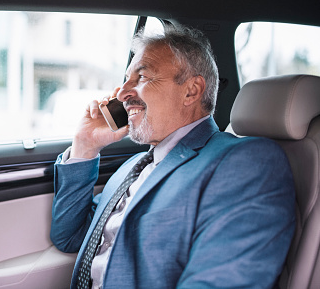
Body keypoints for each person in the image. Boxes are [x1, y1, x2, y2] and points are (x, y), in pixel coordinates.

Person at [50, 25, 296, 288]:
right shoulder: (132, 167)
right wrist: (85, 147)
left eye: (142, 77)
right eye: (126, 79)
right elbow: (69, 236)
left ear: (191, 90)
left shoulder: (246, 164)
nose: (121, 93)